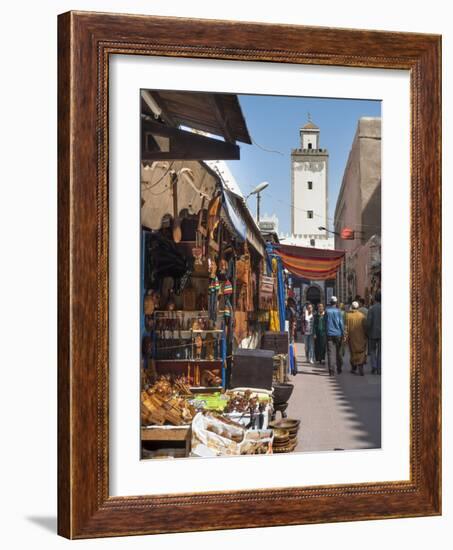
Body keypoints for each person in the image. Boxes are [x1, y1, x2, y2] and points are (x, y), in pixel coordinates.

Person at [345, 301, 368, 375]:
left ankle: (353, 367)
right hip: (361, 337)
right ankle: (360, 365)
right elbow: (365, 327)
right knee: (361, 351)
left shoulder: (348, 316)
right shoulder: (362, 316)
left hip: (352, 338)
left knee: (353, 352)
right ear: (358, 307)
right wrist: (366, 335)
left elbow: (346, 328)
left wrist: (345, 337)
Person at [325, 296, 344, 375]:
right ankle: (339, 368)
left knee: (330, 352)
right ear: (336, 303)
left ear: (330, 302)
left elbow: (325, 322)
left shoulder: (327, 311)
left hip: (329, 333)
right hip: (338, 334)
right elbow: (341, 323)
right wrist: (343, 333)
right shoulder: (338, 311)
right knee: (338, 351)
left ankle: (331, 370)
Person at [367, 290, 382, 374]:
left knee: (372, 350)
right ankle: (379, 369)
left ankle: (374, 366)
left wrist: (367, 331)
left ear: (375, 299)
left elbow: (369, 322)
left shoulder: (371, 309)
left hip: (372, 333)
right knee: (380, 351)